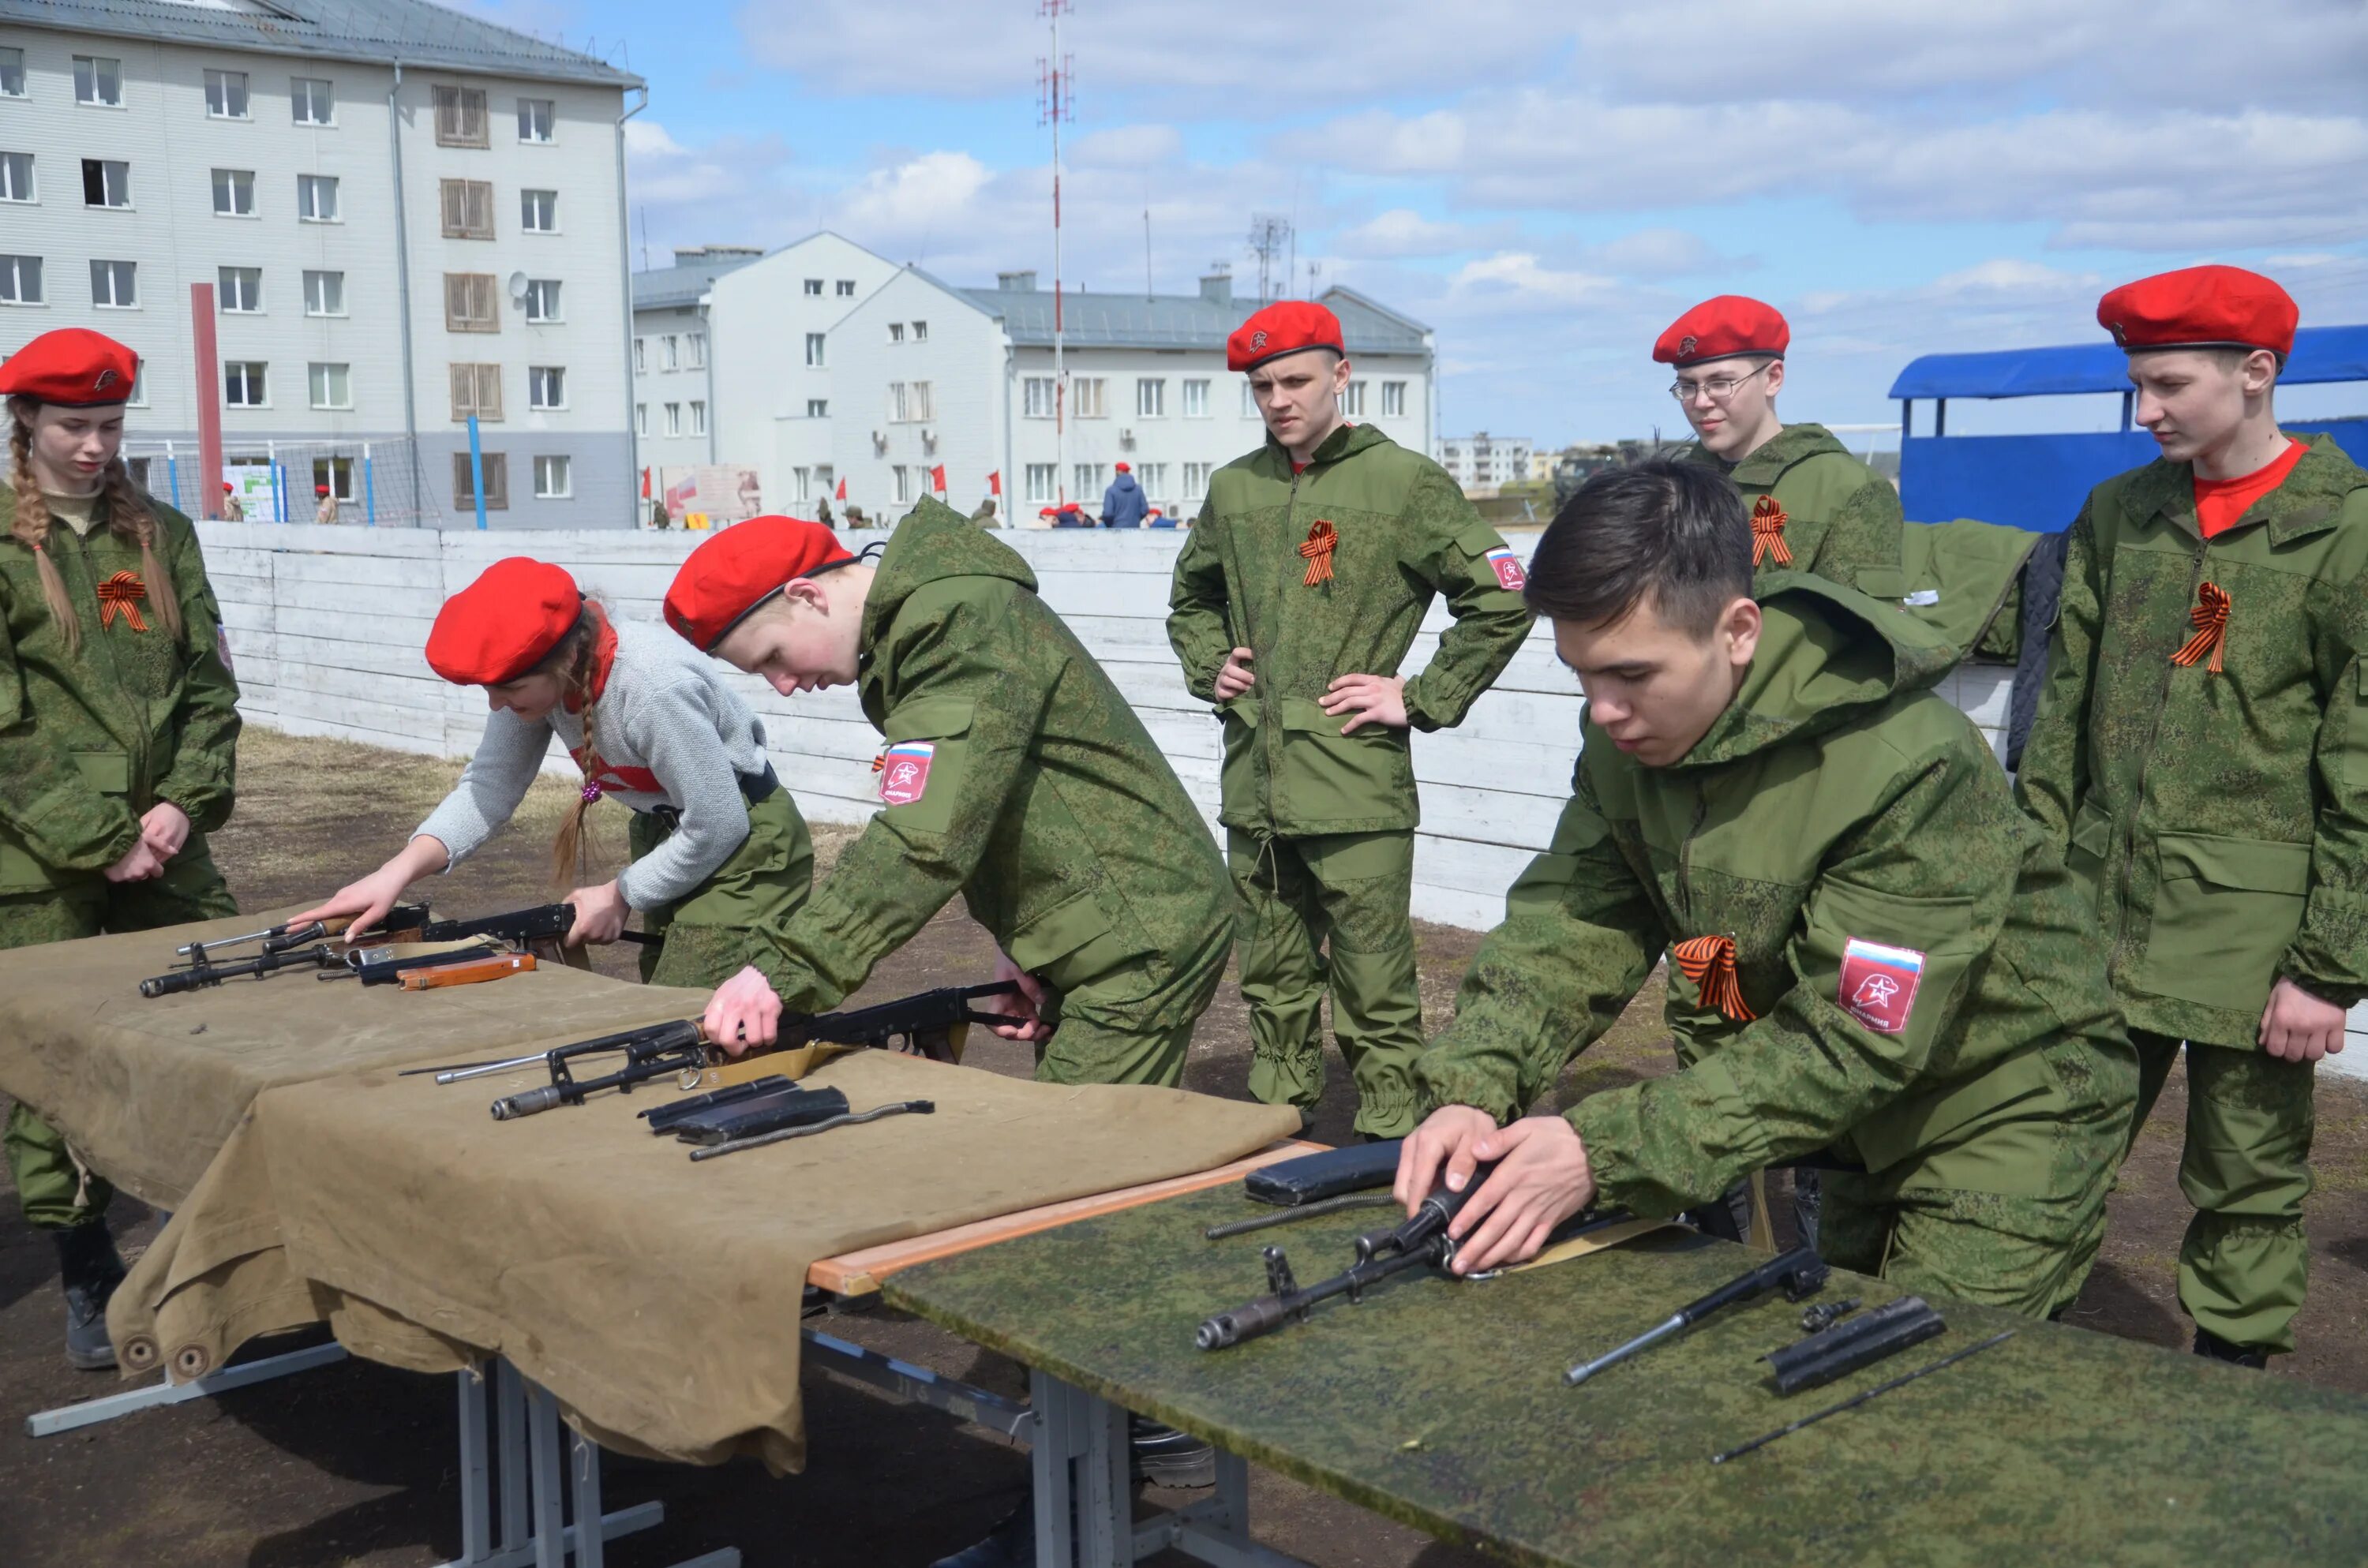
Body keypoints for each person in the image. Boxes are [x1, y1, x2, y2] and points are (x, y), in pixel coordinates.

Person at [1396, 460, 2137, 1318]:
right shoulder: (1627, 744)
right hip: (1855, 1126)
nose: (1603, 709)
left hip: (2007, 1101)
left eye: (1632, 675)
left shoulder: (1904, 763)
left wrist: (1603, 1149)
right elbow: (1571, 926)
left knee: (1925, 1382)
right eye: (1582, 675)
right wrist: (1471, 1085)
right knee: (1829, 1350)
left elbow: (1856, 1032)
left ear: (1738, 630)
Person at [2016, 265, 2368, 1368]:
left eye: (2167, 383)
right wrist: (2034, 883)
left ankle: (2234, 1389)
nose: (2146, 409)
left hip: (2249, 936)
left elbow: (2362, 764)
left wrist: (2328, 966)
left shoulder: (2343, 533)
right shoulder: (2123, 514)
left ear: (2257, 373)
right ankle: (2014, 1355)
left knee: (2248, 1175)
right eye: (2138, 384)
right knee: (2044, 1141)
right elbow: (2059, 708)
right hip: (2093, 909)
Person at [1168, 300, 1534, 1140]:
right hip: (1253, 781)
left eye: (1295, 380)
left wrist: (1421, 695)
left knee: (1375, 981)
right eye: (1262, 386)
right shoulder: (1235, 489)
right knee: (1271, 971)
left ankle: (1389, 1138)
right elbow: (1190, 598)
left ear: (1343, 374)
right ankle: (1274, 1123)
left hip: (1354, 775)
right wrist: (1208, 664)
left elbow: (1503, 595)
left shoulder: (1403, 483)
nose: (1278, 400)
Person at [0, 328, 244, 1368]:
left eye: (109, 425)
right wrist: (100, 838)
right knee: (53, 1062)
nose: (95, 447)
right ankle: (86, 1259)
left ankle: (223, 1232)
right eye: (73, 426)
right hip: (40, 861)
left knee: (231, 1014)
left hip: (166, 845)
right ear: (26, 426)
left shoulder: (163, 535)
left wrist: (184, 802)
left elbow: (210, 688)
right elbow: (5, 730)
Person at [293, 556, 811, 986]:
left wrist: (620, 893)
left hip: (748, 845)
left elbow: (720, 820)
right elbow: (488, 790)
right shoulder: (539, 689)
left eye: (508, 690)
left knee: (691, 1013)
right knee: (677, 999)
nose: (497, 705)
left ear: (563, 661)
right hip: (674, 838)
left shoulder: (651, 685)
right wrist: (394, 873)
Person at [1101, 462, 1147, 529]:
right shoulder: (1138, 489)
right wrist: (1135, 520)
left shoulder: (1111, 491)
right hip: (1135, 530)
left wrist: (1110, 526)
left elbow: (1108, 514)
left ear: (1117, 472)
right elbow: (1144, 510)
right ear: (1128, 472)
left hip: (1116, 531)